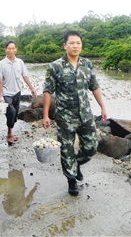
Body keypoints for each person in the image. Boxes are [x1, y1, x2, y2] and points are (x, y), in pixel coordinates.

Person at [42, 30, 107, 196]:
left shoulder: (87, 64)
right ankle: (71, 179)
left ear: (81, 45)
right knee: (66, 149)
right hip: (65, 117)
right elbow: (48, 91)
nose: (75, 46)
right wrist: (46, 115)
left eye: (78, 43)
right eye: (71, 43)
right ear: (65, 45)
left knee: (92, 146)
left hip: (85, 114)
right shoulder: (55, 67)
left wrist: (103, 107)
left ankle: (76, 164)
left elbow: (95, 87)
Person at [0, 41, 37, 146]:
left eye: (13, 48)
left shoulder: (20, 62)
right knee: (12, 111)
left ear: (16, 49)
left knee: (14, 114)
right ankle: (9, 134)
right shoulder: (1, 64)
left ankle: (10, 131)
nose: (11, 50)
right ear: (5, 49)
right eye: (9, 48)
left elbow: (25, 76)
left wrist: (32, 88)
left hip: (17, 91)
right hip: (7, 93)